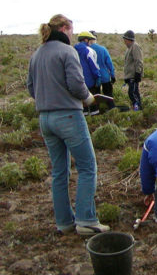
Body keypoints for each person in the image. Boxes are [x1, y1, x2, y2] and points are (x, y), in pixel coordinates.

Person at [27, 14, 110, 235]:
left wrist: (48, 98)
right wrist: (89, 98)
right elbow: (76, 84)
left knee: (59, 171)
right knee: (87, 166)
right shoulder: (67, 51)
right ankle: (86, 220)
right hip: (69, 116)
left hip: (45, 118)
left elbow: (30, 87)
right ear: (64, 28)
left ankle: (64, 222)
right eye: (71, 30)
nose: (72, 34)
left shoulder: (37, 54)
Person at [75, 31, 101, 116]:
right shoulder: (89, 50)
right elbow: (94, 66)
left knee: (82, 102)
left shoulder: (72, 49)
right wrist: (97, 77)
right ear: (86, 40)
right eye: (90, 40)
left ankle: (85, 116)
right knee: (92, 101)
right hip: (89, 80)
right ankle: (94, 118)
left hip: (77, 80)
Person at [89, 31, 116, 110]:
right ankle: (112, 110)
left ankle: (96, 111)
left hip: (93, 78)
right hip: (105, 76)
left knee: (95, 96)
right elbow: (109, 63)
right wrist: (112, 75)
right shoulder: (102, 49)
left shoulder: (86, 50)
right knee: (108, 95)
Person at [123, 30, 144, 111]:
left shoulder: (135, 47)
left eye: (125, 39)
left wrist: (138, 73)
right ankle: (137, 107)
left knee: (133, 93)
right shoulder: (129, 48)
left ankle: (138, 108)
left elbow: (138, 60)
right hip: (130, 75)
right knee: (133, 93)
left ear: (129, 39)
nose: (124, 41)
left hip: (134, 75)